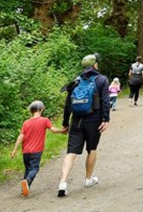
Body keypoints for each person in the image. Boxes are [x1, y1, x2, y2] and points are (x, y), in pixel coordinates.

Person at [56, 54, 110, 197]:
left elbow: (68, 105)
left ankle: (63, 182)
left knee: (71, 152)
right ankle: (88, 179)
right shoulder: (102, 80)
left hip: (76, 120)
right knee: (92, 149)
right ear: (95, 65)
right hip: (94, 120)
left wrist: (65, 123)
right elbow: (105, 101)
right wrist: (105, 119)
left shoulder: (76, 81)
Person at [10, 100, 66, 197]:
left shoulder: (26, 122)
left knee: (28, 169)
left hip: (26, 151)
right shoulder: (44, 120)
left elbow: (21, 136)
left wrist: (14, 149)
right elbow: (53, 130)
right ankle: (27, 181)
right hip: (36, 151)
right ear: (41, 109)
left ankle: (25, 189)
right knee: (34, 168)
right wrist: (63, 130)